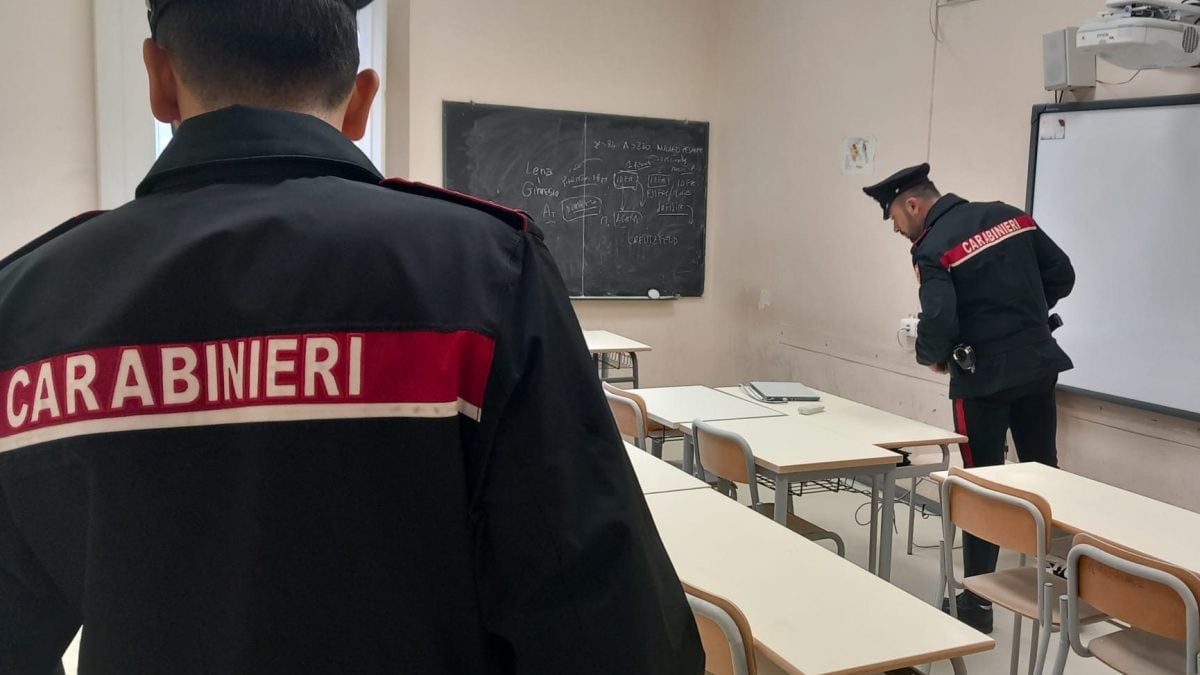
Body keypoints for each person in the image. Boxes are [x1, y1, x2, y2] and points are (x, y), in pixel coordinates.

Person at [0, 1, 702, 672]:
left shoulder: (28, 305)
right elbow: (610, 633)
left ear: (158, 79)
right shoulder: (486, 272)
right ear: (362, 101)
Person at [863, 163, 1075, 634]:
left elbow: (939, 321)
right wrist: (1023, 320)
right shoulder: (1009, 215)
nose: (896, 229)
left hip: (981, 381)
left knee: (982, 484)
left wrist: (932, 355)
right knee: (1045, 470)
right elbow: (1062, 274)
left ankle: (978, 602)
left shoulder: (932, 247)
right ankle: (1063, 587)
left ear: (912, 204)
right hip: (1037, 365)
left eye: (894, 217)